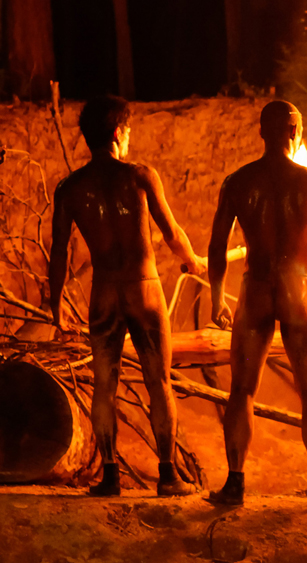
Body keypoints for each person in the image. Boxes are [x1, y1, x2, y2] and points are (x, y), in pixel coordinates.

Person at [49, 95, 206, 497]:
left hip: (104, 293)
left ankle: (110, 476)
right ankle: (168, 476)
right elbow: (171, 233)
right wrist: (193, 262)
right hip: (143, 289)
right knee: (159, 382)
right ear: (118, 132)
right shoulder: (139, 176)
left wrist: (55, 307)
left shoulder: (70, 189)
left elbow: (58, 254)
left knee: (104, 386)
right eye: (129, 130)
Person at [206, 100, 307, 508]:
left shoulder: (237, 183)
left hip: (255, 288)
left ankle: (235, 484)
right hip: (297, 289)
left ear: (261, 132)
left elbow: (217, 246)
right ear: (294, 132)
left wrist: (217, 296)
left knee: (242, 390)